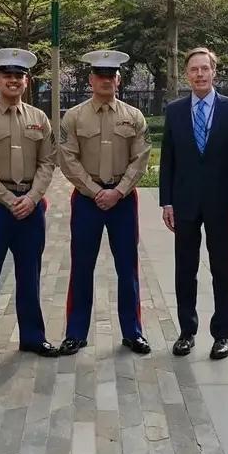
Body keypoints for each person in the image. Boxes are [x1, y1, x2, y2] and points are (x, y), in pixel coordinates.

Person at [0, 48, 59, 368]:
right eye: (7, 76)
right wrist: (7, 199)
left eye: (19, 76)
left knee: (29, 274)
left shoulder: (39, 118)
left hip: (30, 206)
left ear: (26, 81)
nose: (13, 81)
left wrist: (31, 198)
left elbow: (48, 161)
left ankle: (32, 337)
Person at [57, 50, 152, 356]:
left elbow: (140, 158)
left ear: (119, 80)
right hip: (87, 201)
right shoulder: (74, 116)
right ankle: (76, 332)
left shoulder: (134, 116)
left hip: (122, 201)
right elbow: (67, 158)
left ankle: (132, 332)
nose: (106, 81)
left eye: (111, 76)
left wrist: (118, 191)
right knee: (82, 266)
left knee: (128, 268)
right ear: (90, 80)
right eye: (100, 76)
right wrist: (94, 190)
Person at [160, 47, 228, 360]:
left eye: (205, 69)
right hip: (183, 202)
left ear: (214, 72)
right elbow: (167, 159)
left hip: (220, 202)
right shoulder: (174, 111)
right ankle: (187, 331)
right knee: (185, 269)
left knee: (221, 269)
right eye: (194, 69)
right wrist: (166, 201)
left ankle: (222, 333)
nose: (199, 74)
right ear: (187, 74)